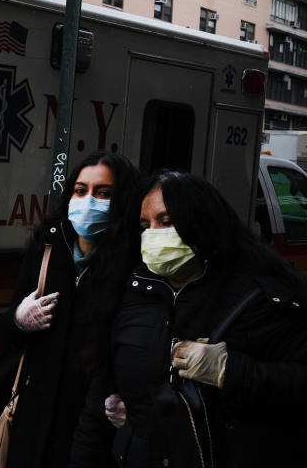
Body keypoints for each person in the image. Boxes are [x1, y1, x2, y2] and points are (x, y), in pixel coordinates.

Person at [70, 171, 307, 467]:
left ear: (201, 222)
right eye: (145, 225)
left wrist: (229, 371)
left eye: (166, 222)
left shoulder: (259, 298)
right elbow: (97, 409)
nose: (154, 234)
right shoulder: (129, 294)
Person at [0, 150, 140, 467]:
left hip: (93, 429)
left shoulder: (134, 265)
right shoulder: (46, 248)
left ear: (123, 201)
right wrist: (19, 321)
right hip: (35, 425)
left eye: (103, 193)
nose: (89, 200)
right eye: (81, 190)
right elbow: (8, 335)